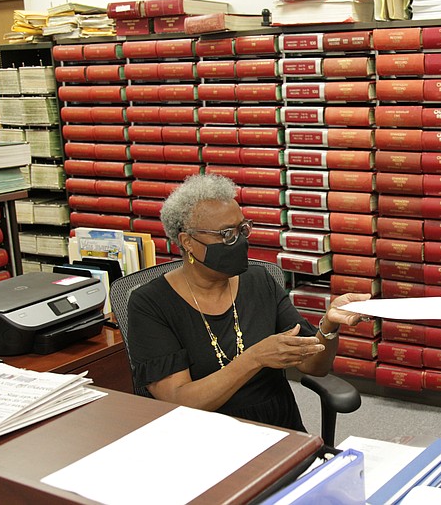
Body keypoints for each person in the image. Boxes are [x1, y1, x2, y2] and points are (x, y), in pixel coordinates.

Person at [126, 173, 369, 431]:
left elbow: (313, 366)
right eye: (226, 234)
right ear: (188, 242)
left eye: (242, 229)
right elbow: (179, 401)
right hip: (207, 437)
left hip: (281, 429)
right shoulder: (150, 304)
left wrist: (329, 326)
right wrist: (254, 358)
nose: (240, 241)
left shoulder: (258, 281)